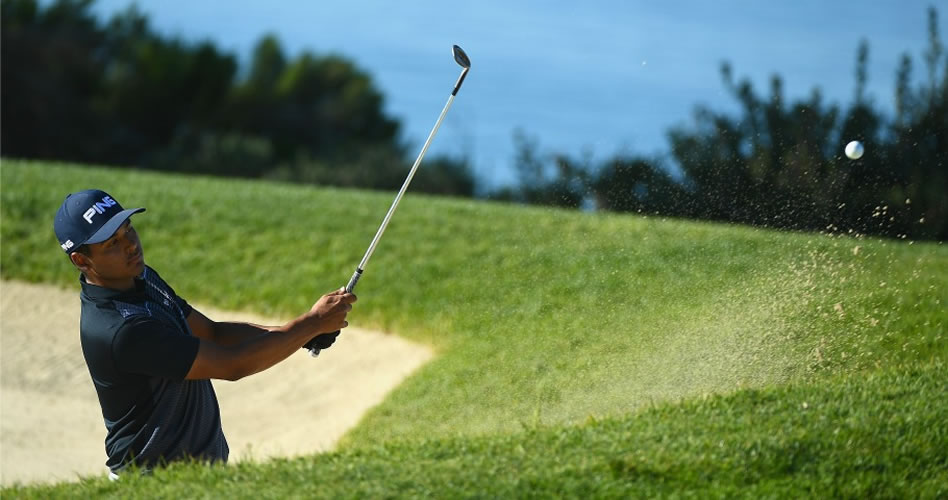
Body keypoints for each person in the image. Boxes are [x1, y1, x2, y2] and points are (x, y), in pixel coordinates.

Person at [53, 189, 355, 477]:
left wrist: (300, 333)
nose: (130, 244)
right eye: (112, 244)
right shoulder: (121, 329)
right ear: (81, 260)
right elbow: (231, 364)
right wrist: (312, 323)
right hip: (153, 482)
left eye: (128, 229)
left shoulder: (142, 276)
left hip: (197, 475)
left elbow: (211, 333)